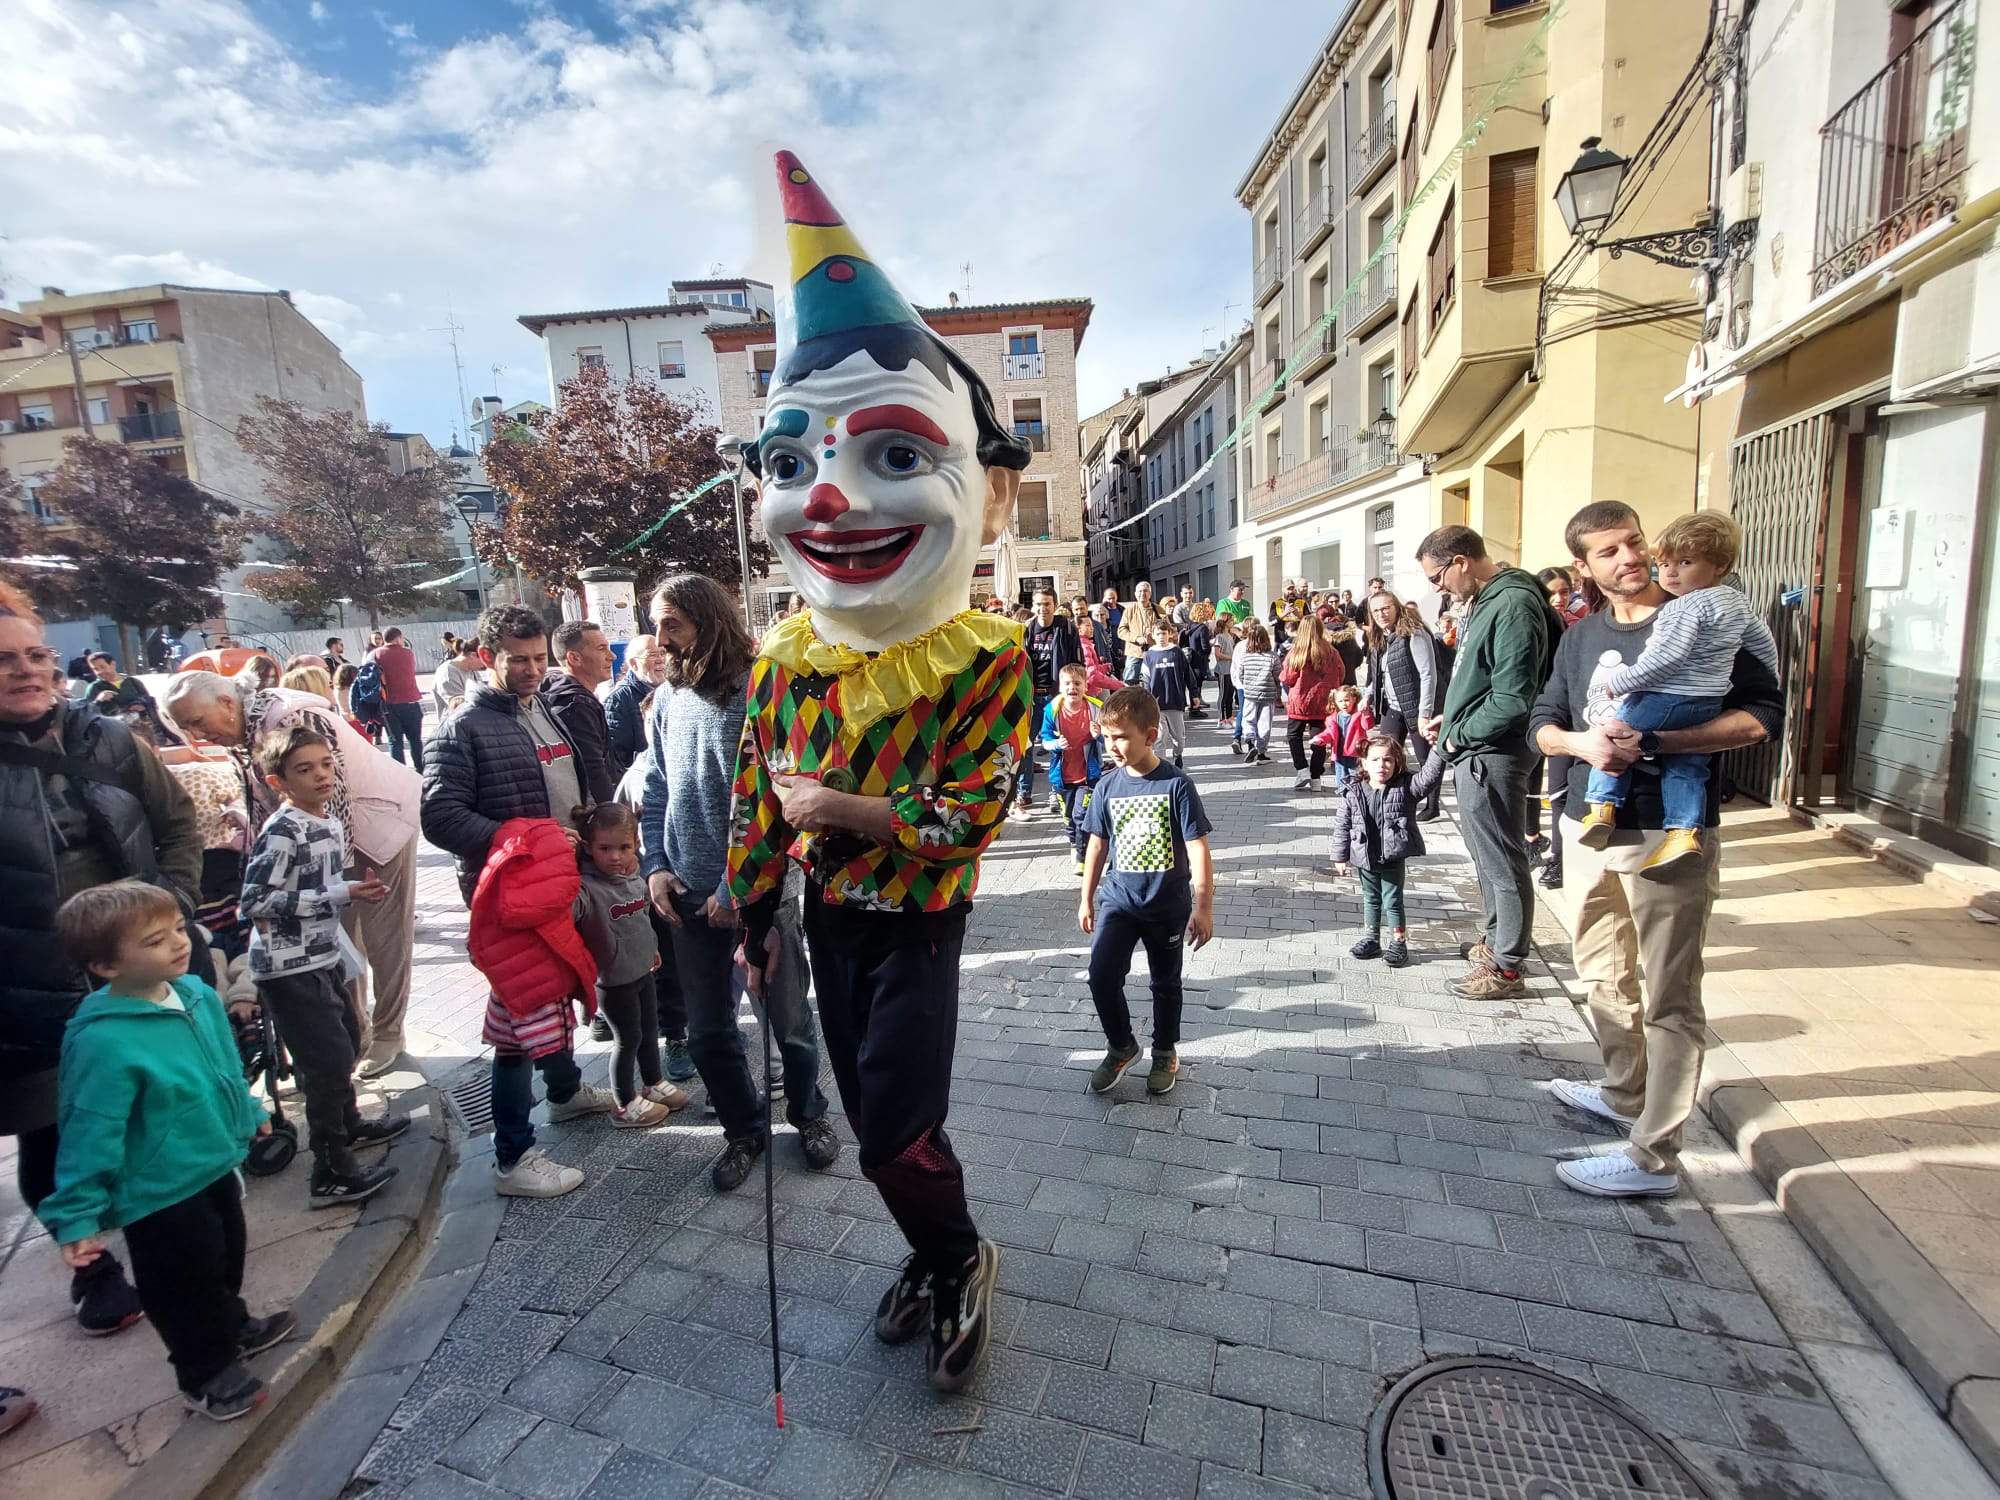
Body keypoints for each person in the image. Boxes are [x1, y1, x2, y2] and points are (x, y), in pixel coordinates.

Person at [727, 150, 1031, 1393]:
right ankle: (931, 1247)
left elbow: (965, 818)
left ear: (992, 497)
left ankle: (957, 1253)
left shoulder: (985, 656)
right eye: (789, 466)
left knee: (893, 1125)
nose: (831, 497)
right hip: (825, 920)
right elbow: (757, 790)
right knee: (867, 1128)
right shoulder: (786, 652)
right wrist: (749, 906)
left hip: (913, 924)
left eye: (895, 456)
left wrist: (842, 809)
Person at [1530, 500, 1781, 1199]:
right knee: (1603, 973)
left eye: (1635, 542)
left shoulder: (1707, 615)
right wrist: (1579, 743)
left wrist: (1662, 742)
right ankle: (1622, 1092)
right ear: (1584, 568)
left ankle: (1654, 1157)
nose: (1631, 558)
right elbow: (1544, 721)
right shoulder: (1581, 637)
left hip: (1670, 833)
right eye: (1609, 551)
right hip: (1587, 826)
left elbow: (1762, 719)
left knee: (1671, 996)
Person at [40, 881, 296, 1421]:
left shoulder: (197, 996)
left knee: (224, 1256)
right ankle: (203, 1374)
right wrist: (79, 1214)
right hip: (157, 1190)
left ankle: (230, 1325)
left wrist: (249, 1115)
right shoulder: (101, 1041)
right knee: (181, 1283)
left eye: (179, 929)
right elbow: (89, 1130)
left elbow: (224, 1066)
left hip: (212, 1163)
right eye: (156, 940)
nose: (180, 944)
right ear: (108, 967)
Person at [1, 586, 184, 1338]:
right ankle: (91, 1266)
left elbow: (177, 824)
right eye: (4, 660)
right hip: (26, 989)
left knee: (153, 1113)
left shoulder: (104, 737)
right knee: (50, 1128)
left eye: (36, 654)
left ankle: (177, 1263)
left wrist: (170, 913)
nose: (27, 671)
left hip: (135, 973)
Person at [641, 573, 837, 1189]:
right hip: (686, 897)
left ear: (707, 619)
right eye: (655, 624)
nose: (659, 638)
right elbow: (656, 788)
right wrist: (655, 866)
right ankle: (743, 1130)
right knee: (706, 1033)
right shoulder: (668, 698)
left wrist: (742, 885)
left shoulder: (761, 688)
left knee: (789, 1023)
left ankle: (809, 1115)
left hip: (759, 898)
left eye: (670, 623)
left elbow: (784, 799)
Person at [422, 604, 617, 1198]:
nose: (535, 669)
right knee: (519, 1017)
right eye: (519, 660)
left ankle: (562, 1094)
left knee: (552, 994)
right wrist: (527, 839)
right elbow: (439, 816)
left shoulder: (544, 705)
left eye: (540, 658)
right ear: (486, 658)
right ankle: (513, 1157)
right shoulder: (461, 727)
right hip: (512, 897)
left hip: (556, 882)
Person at [160, 669, 422, 1078]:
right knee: (341, 937)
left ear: (227, 704)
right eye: (185, 727)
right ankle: (356, 1031)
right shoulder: (248, 730)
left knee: (382, 937)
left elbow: (331, 797)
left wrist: (328, 882)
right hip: (327, 840)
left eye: (196, 722)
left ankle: (389, 1032)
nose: (196, 736)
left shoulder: (289, 717)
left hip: (375, 825)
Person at [238, 725, 402, 1208]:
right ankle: (329, 1170)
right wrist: (338, 894)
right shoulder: (283, 831)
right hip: (289, 967)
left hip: (323, 954)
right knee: (327, 1060)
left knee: (348, 1039)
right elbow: (255, 899)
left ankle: (348, 1125)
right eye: (304, 770)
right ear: (279, 782)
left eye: (326, 764)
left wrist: (351, 894)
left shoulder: (325, 819)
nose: (321, 776)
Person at [1576, 513, 1779, 871]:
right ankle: (1684, 832)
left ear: (1719, 565)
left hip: (1666, 696)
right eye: (1665, 564)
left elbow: (1666, 660)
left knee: (1615, 733)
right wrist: (1772, 670)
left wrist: (1619, 683)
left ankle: (1602, 806)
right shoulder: (1737, 602)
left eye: (1684, 563)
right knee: (1688, 767)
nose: (1670, 573)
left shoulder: (1684, 607)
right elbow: (1763, 645)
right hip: (1707, 701)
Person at [1415, 524, 1562, 1002]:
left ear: (1461, 561)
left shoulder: (1514, 603)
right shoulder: (1491, 600)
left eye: (1438, 576)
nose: (1437, 588)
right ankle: (1496, 938)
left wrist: (1457, 735)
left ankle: (1508, 963)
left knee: (1501, 858)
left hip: (1493, 753)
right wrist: (1451, 717)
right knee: (1486, 857)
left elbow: (1513, 698)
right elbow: (1481, 682)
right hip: (1477, 748)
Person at [1078, 687, 1213, 1098]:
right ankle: (1121, 1045)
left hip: (1166, 906)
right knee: (1101, 975)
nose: (1112, 746)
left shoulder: (1177, 785)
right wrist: (1085, 897)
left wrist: (1203, 906)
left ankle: (1164, 1050)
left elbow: (1198, 848)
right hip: (1119, 901)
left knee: (1165, 983)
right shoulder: (1106, 787)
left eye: (1121, 737)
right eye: (1106, 737)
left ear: (1150, 735)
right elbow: (1097, 845)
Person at [570, 801, 687, 1126]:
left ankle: (652, 1083)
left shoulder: (635, 876)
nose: (615, 856)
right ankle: (624, 1103)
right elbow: (565, 911)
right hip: (613, 981)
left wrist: (651, 948)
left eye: (624, 846)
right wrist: (565, 863)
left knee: (650, 1031)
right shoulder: (585, 888)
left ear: (636, 844)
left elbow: (641, 918)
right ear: (589, 847)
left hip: (644, 970)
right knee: (627, 1039)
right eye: (604, 848)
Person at [1330, 733, 1448, 967]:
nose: (1381, 766)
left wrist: (1437, 750)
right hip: (1365, 856)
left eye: (1388, 760)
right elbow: (1342, 824)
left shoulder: (1405, 787)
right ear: (1363, 762)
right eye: (1374, 760)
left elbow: (1429, 778)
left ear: (1397, 763)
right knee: (1370, 899)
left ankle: (1398, 942)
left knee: (1393, 900)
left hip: (1393, 856)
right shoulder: (1353, 790)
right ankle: (1371, 939)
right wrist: (1339, 856)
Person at [1363, 588, 1444, 821]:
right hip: (1393, 706)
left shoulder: (1414, 632)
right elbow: (1381, 673)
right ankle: (1392, 798)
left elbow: (1428, 674)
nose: (1381, 614)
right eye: (1375, 610)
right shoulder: (1382, 636)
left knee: (1426, 758)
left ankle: (1432, 804)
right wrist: (1367, 695)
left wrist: (1424, 713)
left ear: (1396, 607)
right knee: (1386, 751)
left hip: (1417, 706)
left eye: (1385, 608)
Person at [1016, 589, 1081, 816]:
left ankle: (1056, 790)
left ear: (1054, 605)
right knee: (1025, 745)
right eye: (1038, 604)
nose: (1043, 608)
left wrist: (1073, 693)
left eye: (1047, 604)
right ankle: (1024, 792)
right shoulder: (1026, 631)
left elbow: (1077, 664)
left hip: (1057, 696)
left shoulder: (1066, 628)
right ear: (1033, 606)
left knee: (1057, 746)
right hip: (1031, 696)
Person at [539, 619, 617, 807]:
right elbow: (593, 771)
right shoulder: (575, 706)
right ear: (574, 658)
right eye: (601, 649)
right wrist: (613, 813)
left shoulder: (572, 699)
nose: (612, 656)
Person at [1039, 662, 1104, 877]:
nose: (1072, 688)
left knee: (1081, 815)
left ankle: (1081, 855)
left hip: (1088, 775)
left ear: (1086, 686)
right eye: (1067, 683)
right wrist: (1056, 745)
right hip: (1062, 776)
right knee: (1068, 818)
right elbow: (1045, 740)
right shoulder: (1052, 710)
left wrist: (1098, 735)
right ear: (1060, 687)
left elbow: (1108, 736)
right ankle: (1074, 843)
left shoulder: (1095, 708)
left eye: (1077, 683)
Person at [1280, 612, 1342, 791]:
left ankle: (1302, 769)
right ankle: (1316, 778)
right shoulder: (1331, 651)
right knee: (1319, 739)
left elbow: (1287, 678)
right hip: (1322, 700)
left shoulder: (1296, 652)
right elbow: (1341, 673)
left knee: (1294, 736)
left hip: (1299, 701)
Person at [603, 633, 664, 780]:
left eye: (663, 653)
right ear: (634, 663)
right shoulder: (618, 699)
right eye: (652, 655)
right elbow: (619, 758)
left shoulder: (673, 690)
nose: (660, 660)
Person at [365, 629, 425, 771]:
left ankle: (400, 772)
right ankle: (420, 770)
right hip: (410, 701)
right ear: (398, 638)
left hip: (387, 704)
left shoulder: (375, 654)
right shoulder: (408, 653)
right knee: (415, 740)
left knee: (394, 741)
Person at [1140, 620, 1194, 766]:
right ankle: (1161, 765)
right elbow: (1145, 679)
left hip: (1175, 701)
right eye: (1158, 634)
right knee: (1159, 737)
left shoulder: (1176, 652)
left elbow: (1188, 674)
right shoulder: (1149, 656)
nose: (1161, 636)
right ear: (1153, 635)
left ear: (1169, 634)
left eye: (1164, 633)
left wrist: (1194, 694)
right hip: (1157, 703)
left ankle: (1177, 754)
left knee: (1179, 738)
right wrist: (1145, 700)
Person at [1234, 620, 1282, 763]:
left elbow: (1240, 674)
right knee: (1264, 723)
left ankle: (1249, 735)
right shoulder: (1272, 656)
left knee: (1248, 718)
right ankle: (1261, 752)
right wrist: (1277, 692)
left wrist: (1248, 685)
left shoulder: (1246, 656)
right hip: (1268, 694)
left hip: (1250, 694)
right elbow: (1278, 675)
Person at [1312, 683, 1373, 794]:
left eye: (1346, 700)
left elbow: (1367, 726)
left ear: (1354, 699)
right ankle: (1344, 797)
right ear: (1335, 702)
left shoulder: (1359, 715)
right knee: (1341, 777)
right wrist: (1320, 739)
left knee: (1355, 776)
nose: (1344, 704)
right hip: (1339, 754)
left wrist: (1366, 713)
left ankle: (1356, 795)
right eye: (1340, 701)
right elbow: (1329, 733)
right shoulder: (1334, 717)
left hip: (1355, 753)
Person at [78, 653, 154, 716]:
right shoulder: (94, 687)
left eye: (102, 667)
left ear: (113, 664)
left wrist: (142, 705)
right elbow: (87, 714)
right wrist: (98, 701)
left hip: (140, 730)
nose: (99, 672)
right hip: (112, 731)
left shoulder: (133, 682)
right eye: (95, 669)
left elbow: (149, 700)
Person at [1117, 581, 1160, 683]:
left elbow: (1166, 628)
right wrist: (1136, 638)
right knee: (1129, 683)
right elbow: (1121, 630)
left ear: (1150, 593)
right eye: (1139, 591)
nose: (1142, 594)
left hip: (1154, 651)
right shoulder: (1129, 610)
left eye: (1145, 591)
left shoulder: (1158, 610)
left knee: (1154, 682)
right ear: (1135, 594)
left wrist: (1154, 636)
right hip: (1134, 652)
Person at [433, 637, 484, 719]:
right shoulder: (447, 673)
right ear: (473, 655)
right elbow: (459, 706)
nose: (486, 663)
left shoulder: (472, 671)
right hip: (455, 724)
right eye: (483, 658)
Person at [1183, 603, 1213, 717]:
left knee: (1192, 684)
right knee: (1197, 685)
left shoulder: (1190, 626)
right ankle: (1195, 709)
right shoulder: (1202, 628)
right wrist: (1210, 647)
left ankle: (1193, 707)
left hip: (1190, 657)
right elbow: (1205, 647)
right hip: (1200, 659)